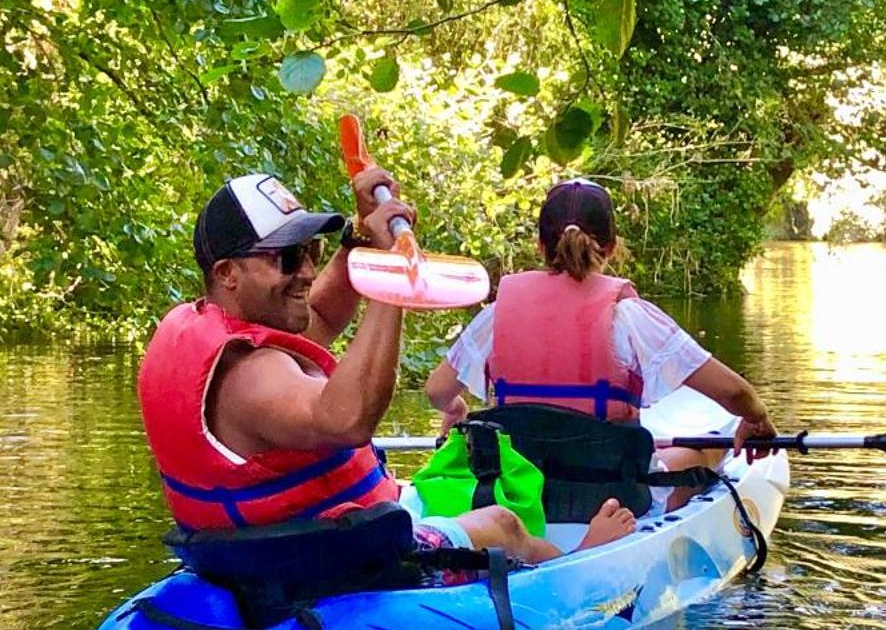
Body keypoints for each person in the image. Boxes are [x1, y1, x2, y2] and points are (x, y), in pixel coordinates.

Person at [137, 166, 635, 563]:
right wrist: (390, 276)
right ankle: (583, 560)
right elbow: (347, 419)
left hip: (299, 537)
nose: (308, 270)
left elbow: (324, 315)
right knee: (503, 523)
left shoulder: (222, 327)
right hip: (331, 553)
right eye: (288, 258)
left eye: (310, 251)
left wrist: (358, 238)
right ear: (227, 273)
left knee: (447, 492)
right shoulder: (249, 378)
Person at [423, 178, 777, 504]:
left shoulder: (496, 315)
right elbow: (734, 394)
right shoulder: (630, 315)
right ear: (610, 247)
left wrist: (456, 410)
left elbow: (437, 390)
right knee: (705, 453)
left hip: (521, 492)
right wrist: (757, 417)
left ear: (540, 245)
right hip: (612, 498)